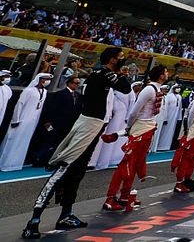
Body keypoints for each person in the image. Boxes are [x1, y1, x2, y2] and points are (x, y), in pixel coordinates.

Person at [22, 47, 132, 239]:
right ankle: (34, 220)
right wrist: (118, 73)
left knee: (78, 172)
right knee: (64, 168)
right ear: (113, 59)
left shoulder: (103, 75)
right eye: (121, 58)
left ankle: (66, 214)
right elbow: (125, 87)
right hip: (88, 125)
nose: (123, 61)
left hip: (95, 125)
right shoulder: (102, 74)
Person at [104, 65, 168, 212]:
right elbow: (134, 111)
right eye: (165, 72)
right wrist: (129, 128)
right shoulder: (149, 89)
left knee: (136, 164)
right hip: (140, 128)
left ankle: (125, 195)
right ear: (160, 75)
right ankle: (110, 197)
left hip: (148, 128)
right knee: (125, 165)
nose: (167, 74)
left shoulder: (157, 89)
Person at [0, 73, 52, 171]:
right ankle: (4, 163)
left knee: (24, 142)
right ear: (40, 79)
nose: (48, 81)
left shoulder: (44, 91)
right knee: (12, 141)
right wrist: (16, 119)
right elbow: (19, 105)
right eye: (46, 79)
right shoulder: (28, 90)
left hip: (32, 122)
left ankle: (15, 164)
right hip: (21, 120)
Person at [27, 74, 82, 166]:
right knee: (50, 141)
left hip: (69, 124)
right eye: (75, 83)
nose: (77, 85)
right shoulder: (61, 93)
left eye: (78, 83)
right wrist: (48, 121)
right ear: (69, 83)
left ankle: (52, 160)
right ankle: (39, 159)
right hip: (57, 123)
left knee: (61, 143)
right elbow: (52, 108)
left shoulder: (77, 95)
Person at [154, 84, 182, 152]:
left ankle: (167, 146)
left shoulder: (179, 96)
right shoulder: (169, 96)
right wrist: (165, 118)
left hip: (174, 118)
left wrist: (179, 118)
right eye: (176, 87)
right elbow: (165, 108)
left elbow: (179, 108)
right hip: (166, 117)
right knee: (163, 131)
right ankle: (160, 146)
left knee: (171, 132)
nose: (178, 89)